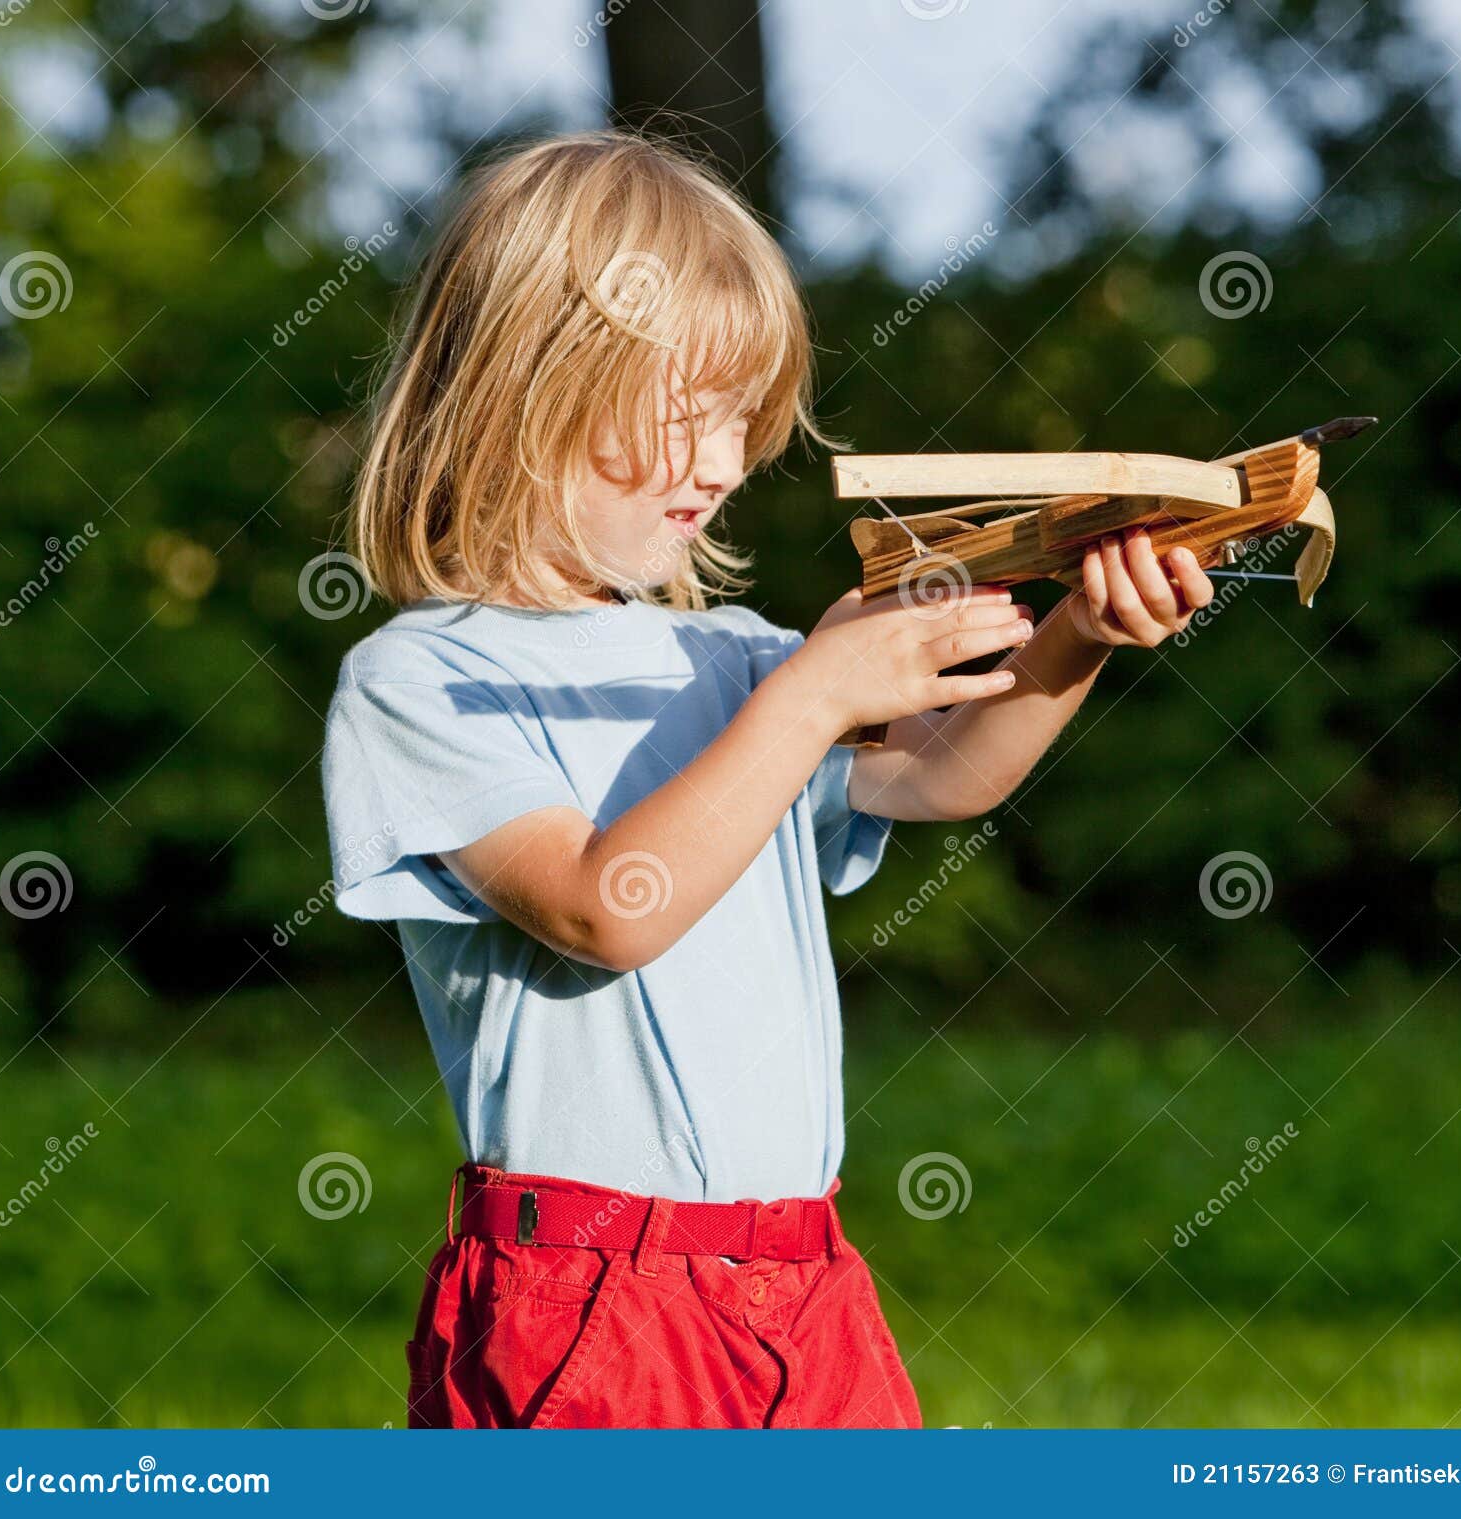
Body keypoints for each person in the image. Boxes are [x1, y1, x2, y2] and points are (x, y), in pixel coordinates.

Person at [322, 130, 1215, 1429]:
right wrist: (813, 696)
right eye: (686, 415)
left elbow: (941, 777)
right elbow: (602, 908)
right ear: (528, 394)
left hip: (804, 1283)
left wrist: (1079, 633)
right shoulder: (421, 680)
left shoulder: (736, 660)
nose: (725, 460)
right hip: (588, 1297)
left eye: (743, 419)